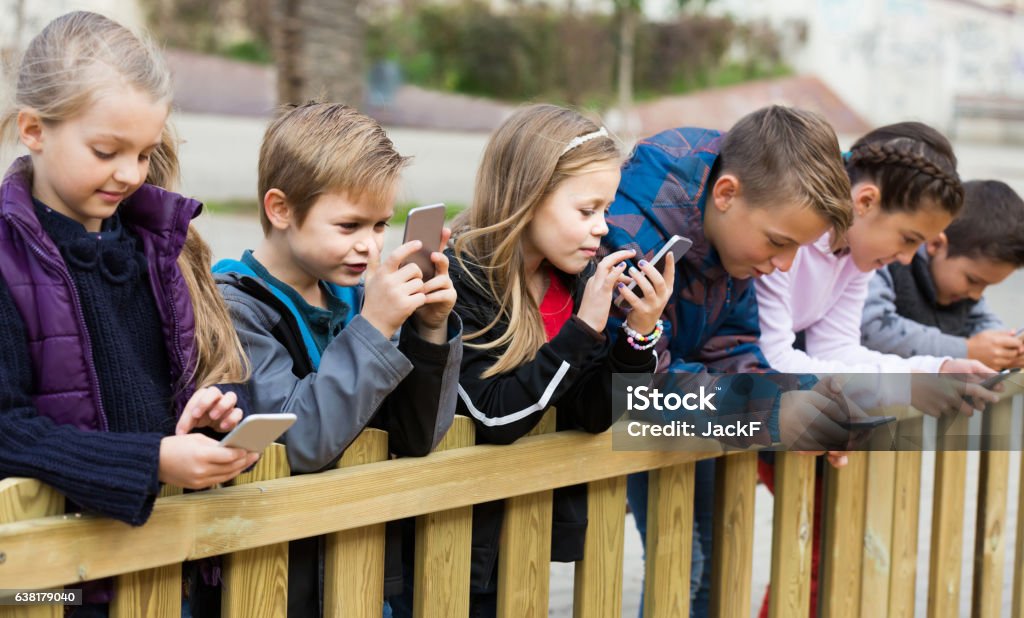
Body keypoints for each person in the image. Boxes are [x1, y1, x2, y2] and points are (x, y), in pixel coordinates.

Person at [0, 11, 255, 614]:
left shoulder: (154, 245)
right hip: (55, 588)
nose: (130, 175)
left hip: (167, 572)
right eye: (107, 151)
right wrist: (152, 460)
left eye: (144, 153)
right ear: (34, 129)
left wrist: (201, 416)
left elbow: (158, 393)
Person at [602, 106, 858, 616]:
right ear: (726, 194)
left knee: (712, 569)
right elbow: (638, 379)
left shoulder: (733, 243)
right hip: (608, 427)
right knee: (687, 571)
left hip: (689, 426)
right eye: (779, 242)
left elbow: (734, 346)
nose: (783, 265)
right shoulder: (633, 234)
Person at [213, 102, 461, 618]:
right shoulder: (235, 310)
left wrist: (430, 329)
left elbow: (416, 437)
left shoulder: (358, 299)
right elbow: (299, 442)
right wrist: (374, 328)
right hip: (277, 585)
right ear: (280, 209)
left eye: (380, 225)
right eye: (349, 225)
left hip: (365, 572)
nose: (370, 247)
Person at [754, 123, 1000, 618]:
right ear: (864, 201)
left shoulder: (856, 259)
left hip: (764, 413)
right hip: (693, 404)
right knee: (698, 570)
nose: (907, 259)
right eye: (908, 239)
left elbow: (840, 347)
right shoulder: (795, 242)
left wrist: (938, 366)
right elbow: (773, 359)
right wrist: (906, 386)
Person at [442, 103, 670, 617]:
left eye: (606, 211)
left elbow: (592, 416)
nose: (601, 229)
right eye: (586, 210)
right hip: (446, 544)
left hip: (523, 537)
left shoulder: (573, 283)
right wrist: (582, 331)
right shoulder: (461, 279)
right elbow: (493, 415)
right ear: (529, 196)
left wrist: (637, 334)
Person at [861, 179, 1024, 369]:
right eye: (973, 280)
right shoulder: (890, 261)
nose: (976, 294)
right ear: (936, 245)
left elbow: (983, 321)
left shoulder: (963, 293)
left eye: (985, 286)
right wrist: (967, 351)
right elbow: (871, 328)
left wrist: (1005, 348)